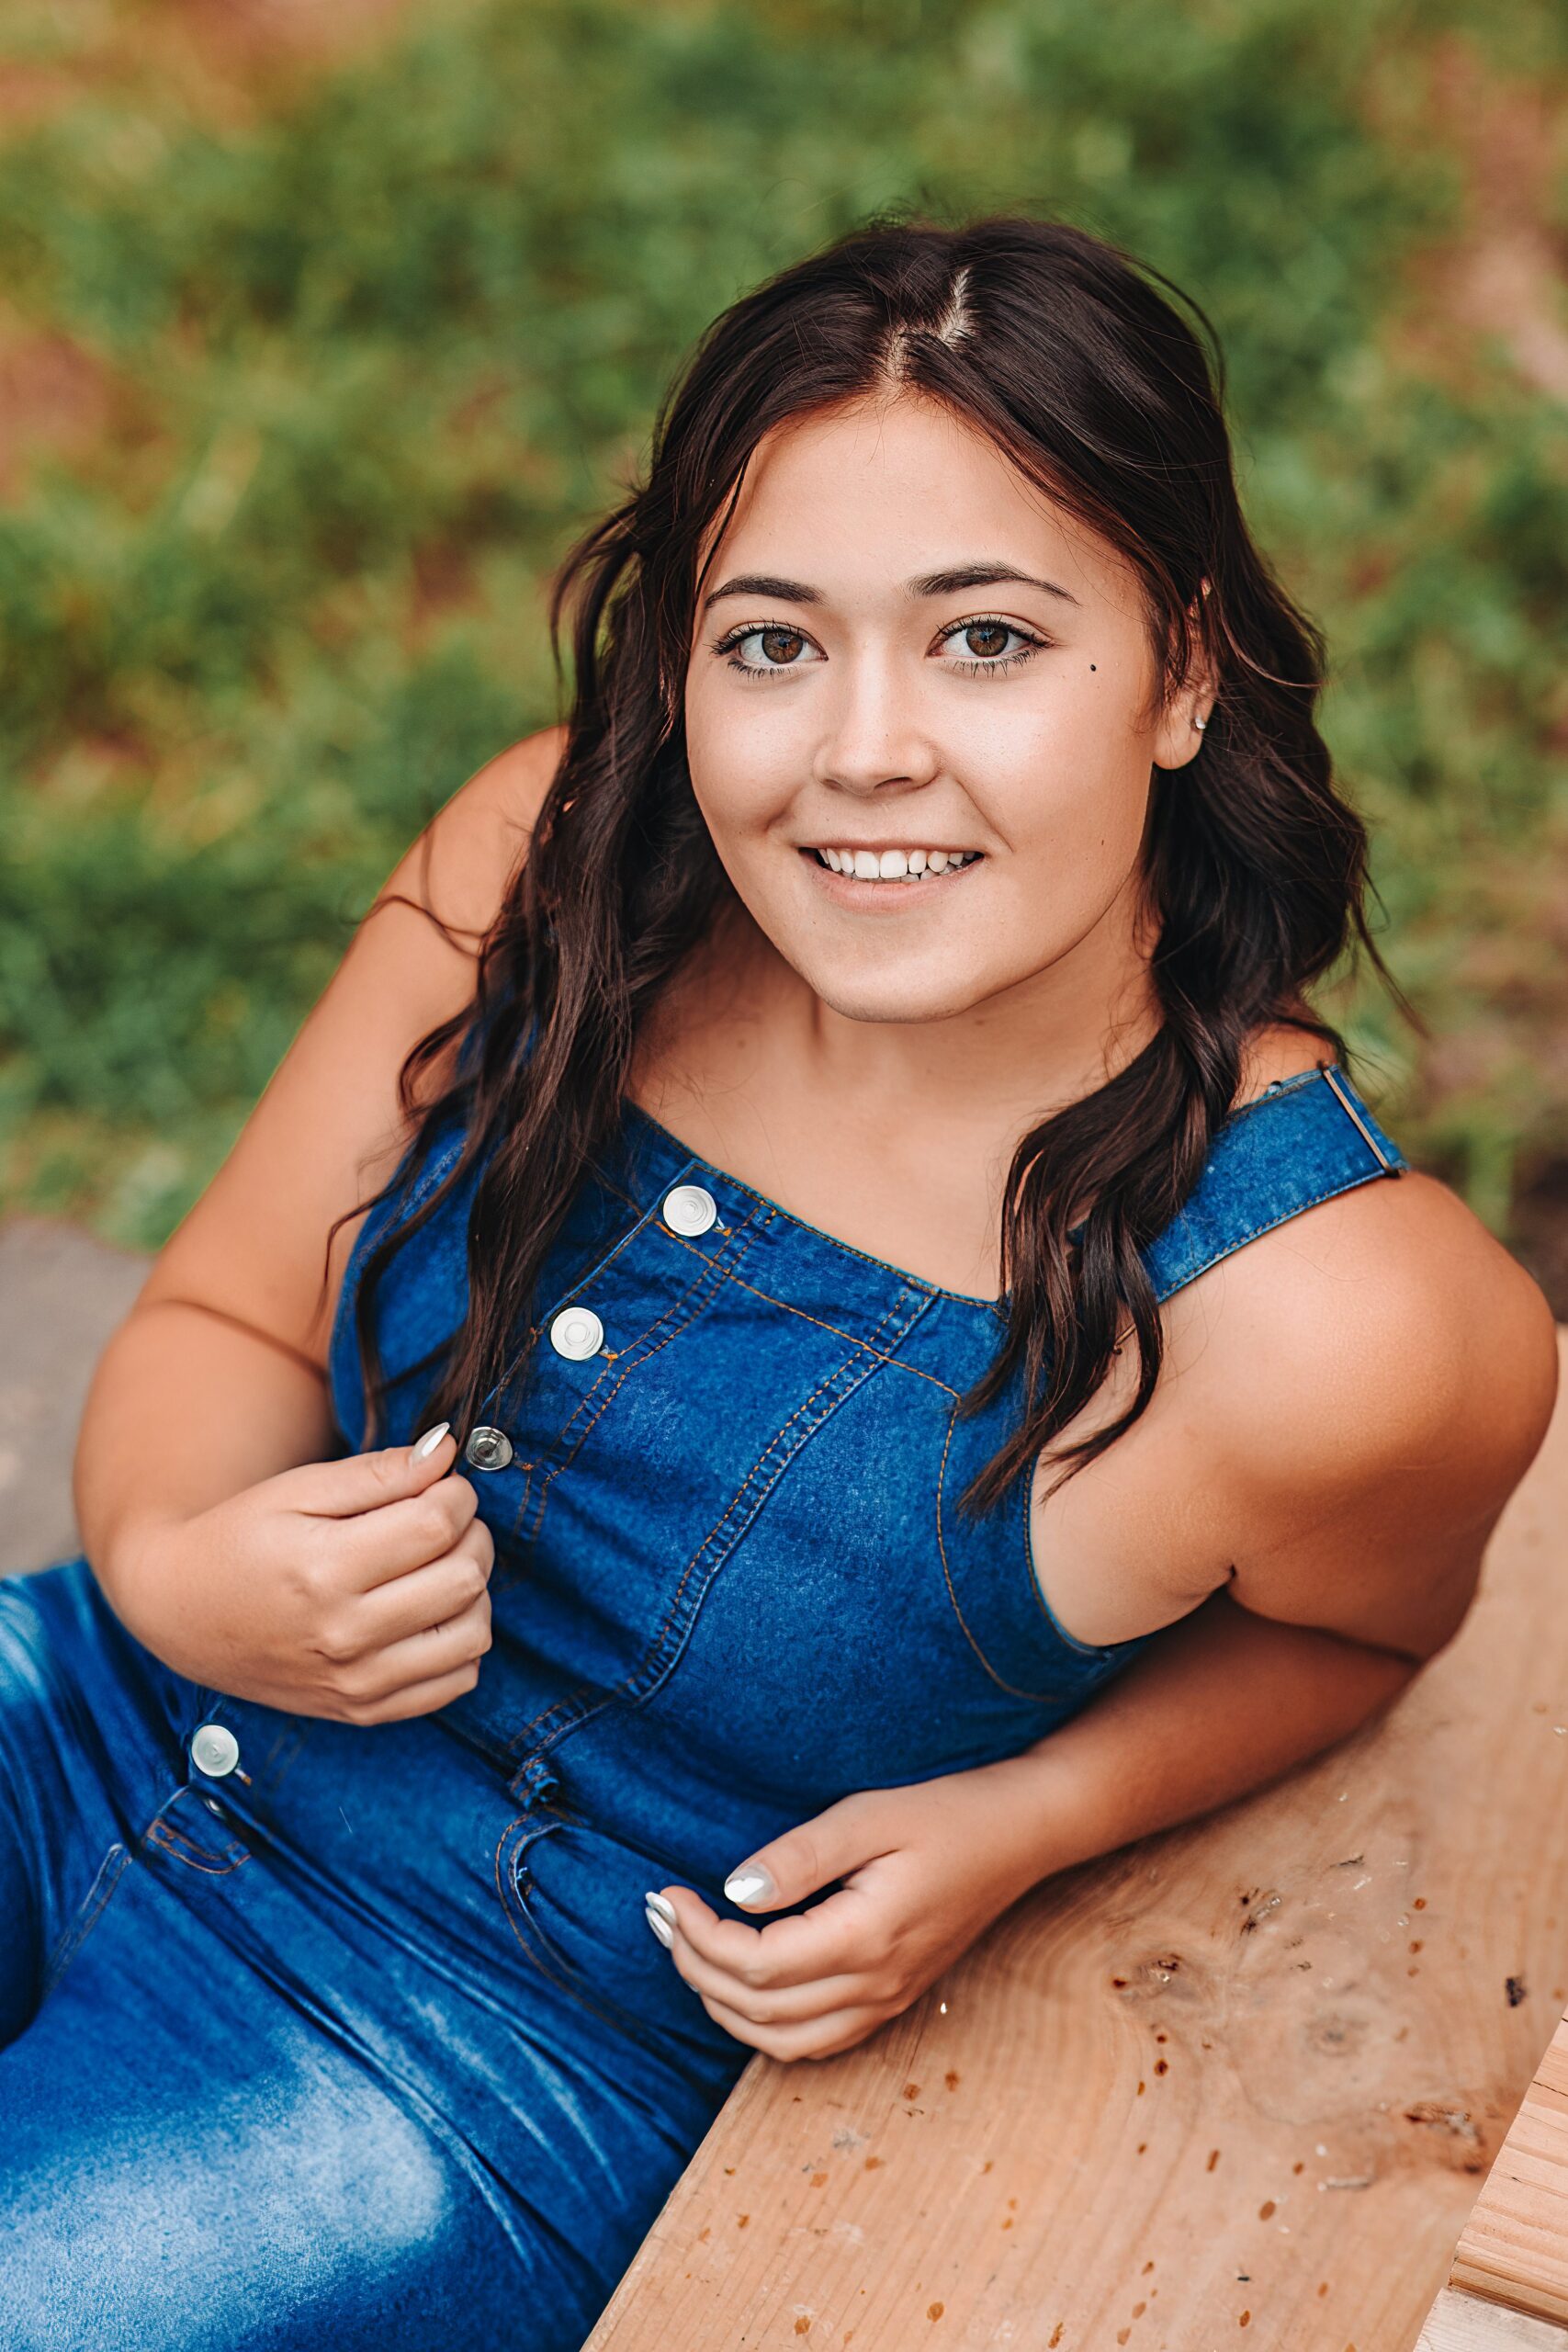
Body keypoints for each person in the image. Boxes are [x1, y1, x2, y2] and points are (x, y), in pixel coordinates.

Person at [2, 213, 1556, 2350]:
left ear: (1182, 670)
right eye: (768, 642)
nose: (860, 749)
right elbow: (225, 1323)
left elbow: (1366, 1630)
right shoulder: (542, 872)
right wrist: (173, 1557)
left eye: (986, 641)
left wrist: (1022, 1819)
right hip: (85, 1712)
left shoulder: (1321, 1324)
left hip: (469, 2064)